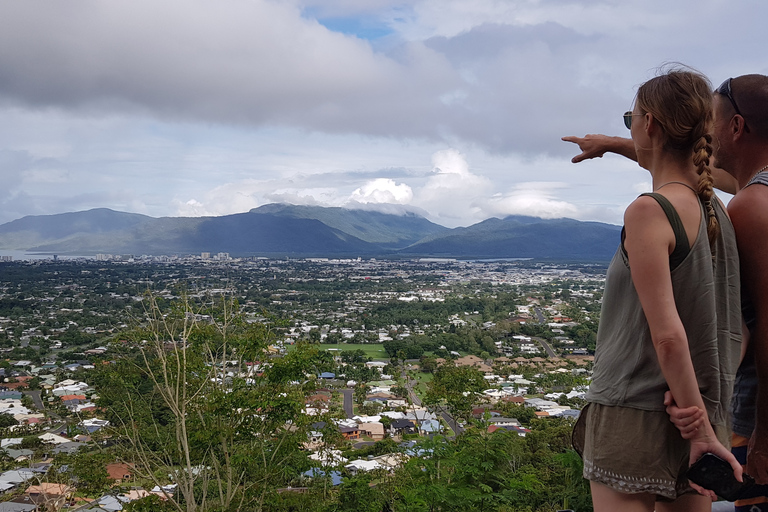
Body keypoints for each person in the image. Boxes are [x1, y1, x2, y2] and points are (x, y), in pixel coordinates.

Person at [565, 74, 768, 511]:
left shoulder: (649, 211)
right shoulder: (719, 211)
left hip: (634, 409)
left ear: (650, 124)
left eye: (630, 119)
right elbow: (740, 333)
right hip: (704, 412)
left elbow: (668, 335)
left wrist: (695, 425)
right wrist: (699, 412)